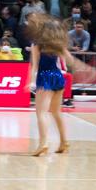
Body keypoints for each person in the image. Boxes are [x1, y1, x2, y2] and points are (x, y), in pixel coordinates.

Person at [24, 13, 86, 157]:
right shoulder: (58, 45)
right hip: (58, 77)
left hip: (45, 77)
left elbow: (34, 65)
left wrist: (30, 81)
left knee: (41, 113)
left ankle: (43, 143)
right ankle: (64, 142)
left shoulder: (37, 44)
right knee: (56, 112)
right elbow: (71, 61)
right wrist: (87, 69)